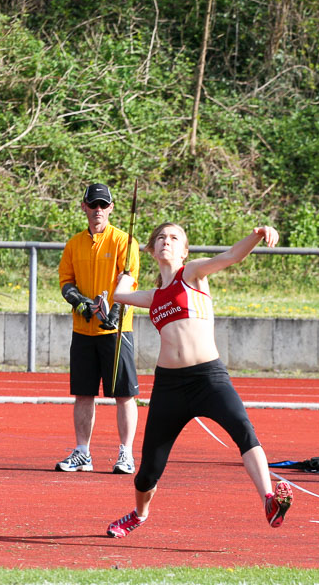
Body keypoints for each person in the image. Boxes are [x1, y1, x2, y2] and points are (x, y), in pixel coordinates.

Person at [105, 222, 292, 538]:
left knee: (244, 430)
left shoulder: (191, 273)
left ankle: (269, 499)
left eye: (174, 238)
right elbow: (120, 295)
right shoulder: (154, 296)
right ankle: (139, 514)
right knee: (148, 470)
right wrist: (124, 277)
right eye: (160, 238)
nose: (166, 241)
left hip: (208, 378)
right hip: (169, 387)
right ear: (152, 250)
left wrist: (257, 234)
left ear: (185, 250)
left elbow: (231, 256)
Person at [56, 183, 141, 474]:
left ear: (111, 208)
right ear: (84, 207)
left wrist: (115, 311)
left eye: (103, 205)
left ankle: (126, 453)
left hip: (116, 332)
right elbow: (66, 281)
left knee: (124, 394)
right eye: (93, 205)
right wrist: (79, 301)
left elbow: (129, 279)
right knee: (83, 393)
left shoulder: (124, 241)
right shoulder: (74, 244)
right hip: (83, 330)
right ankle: (82, 452)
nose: (98, 210)